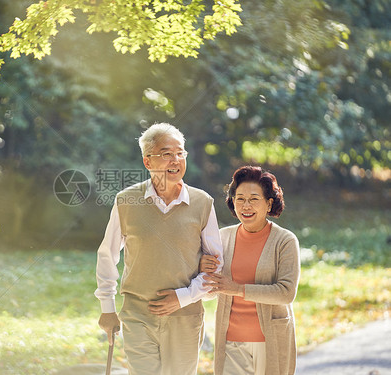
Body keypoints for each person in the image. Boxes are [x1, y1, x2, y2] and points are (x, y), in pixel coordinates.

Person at [94, 122, 224, 375]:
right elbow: (107, 255)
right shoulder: (126, 201)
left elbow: (215, 267)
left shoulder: (203, 203)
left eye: (180, 152)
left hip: (185, 317)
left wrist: (183, 297)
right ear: (148, 162)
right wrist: (107, 309)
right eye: (166, 153)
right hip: (137, 315)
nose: (175, 160)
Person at [201, 166, 301, 375]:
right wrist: (204, 270)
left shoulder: (285, 241)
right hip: (230, 341)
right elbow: (210, 289)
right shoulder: (222, 237)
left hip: (270, 339)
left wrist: (237, 289)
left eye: (254, 199)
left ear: (269, 203)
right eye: (240, 199)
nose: (246, 205)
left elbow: (286, 293)